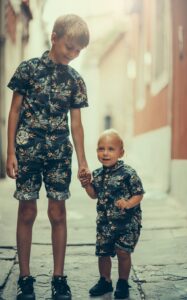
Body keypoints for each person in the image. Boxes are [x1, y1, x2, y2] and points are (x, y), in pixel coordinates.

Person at [6, 14, 90, 300]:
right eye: (69, 47)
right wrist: (10, 153)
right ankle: (25, 278)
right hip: (27, 152)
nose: (73, 55)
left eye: (78, 51)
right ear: (54, 38)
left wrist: (83, 160)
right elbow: (14, 111)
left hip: (58, 154)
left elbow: (76, 124)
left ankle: (59, 277)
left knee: (58, 213)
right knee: (27, 211)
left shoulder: (75, 81)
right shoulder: (27, 70)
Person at [79, 129, 144, 299]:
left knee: (123, 252)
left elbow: (139, 194)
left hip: (126, 223)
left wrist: (129, 203)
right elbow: (94, 195)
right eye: (101, 149)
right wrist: (87, 184)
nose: (105, 153)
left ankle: (123, 282)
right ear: (97, 152)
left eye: (111, 149)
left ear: (121, 152)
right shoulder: (98, 175)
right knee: (103, 252)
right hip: (105, 223)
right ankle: (105, 280)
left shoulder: (128, 173)